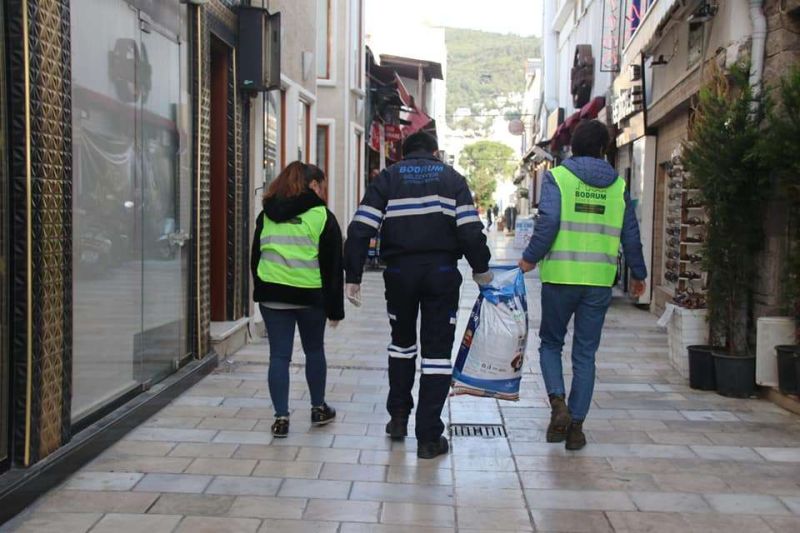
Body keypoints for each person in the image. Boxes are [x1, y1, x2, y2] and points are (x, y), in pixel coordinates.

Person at [344, 131, 492, 459]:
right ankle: (428, 437)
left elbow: (360, 228)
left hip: (399, 274)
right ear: (435, 152)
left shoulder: (388, 177)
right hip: (441, 272)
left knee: (402, 345)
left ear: (403, 153)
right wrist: (481, 269)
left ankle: (398, 418)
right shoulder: (452, 178)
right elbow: (469, 229)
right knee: (437, 354)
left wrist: (352, 275)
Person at [518, 120, 647, 451]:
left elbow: (548, 223)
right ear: (604, 148)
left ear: (573, 145)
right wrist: (639, 275)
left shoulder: (558, 178)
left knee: (550, 344)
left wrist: (531, 257)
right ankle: (575, 428)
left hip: (560, 277)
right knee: (585, 354)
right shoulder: (618, 186)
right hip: (598, 282)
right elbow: (630, 233)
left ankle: (558, 403)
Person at [250, 162, 344, 438]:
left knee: (278, 356)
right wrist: (335, 309)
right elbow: (333, 267)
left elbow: (255, 257)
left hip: (273, 296)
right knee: (314, 351)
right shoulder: (322, 217)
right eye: (322, 186)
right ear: (313, 185)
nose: (323, 192)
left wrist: (263, 288)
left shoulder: (266, 215)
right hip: (309, 297)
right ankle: (318, 409)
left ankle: (281, 418)